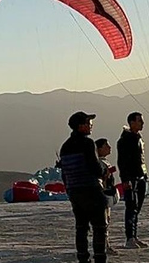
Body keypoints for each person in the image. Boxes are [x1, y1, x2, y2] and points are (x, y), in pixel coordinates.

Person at [59, 111, 107, 263]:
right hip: (91, 190)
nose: (91, 126)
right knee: (99, 227)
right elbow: (95, 169)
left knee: (81, 227)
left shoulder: (64, 147)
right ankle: (100, 258)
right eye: (88, 123)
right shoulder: (88, 143)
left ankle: (82, 258)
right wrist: (103, 170)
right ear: (81, 126)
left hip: (74, 192)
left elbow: (64, 174)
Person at [117, 112, 149, 249]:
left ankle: (134, 236)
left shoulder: (138, 138)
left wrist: (145, 176)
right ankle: (129, 238)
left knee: (137, 208)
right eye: (140, 121)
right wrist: (125, 179)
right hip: (131, 179)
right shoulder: (125, 140)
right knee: (131, 207)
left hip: (141, 176)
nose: (142, 123)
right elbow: (122, 162)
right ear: (132, 122)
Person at [95, 138, 119, 255]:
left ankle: (106, 244)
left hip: (107, 194)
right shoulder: (98, 163)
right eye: (106, 145)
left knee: (107, 221)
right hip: (102, 195)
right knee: (103, 222)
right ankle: (104, 246)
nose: (109, 147)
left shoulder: (104, 162)